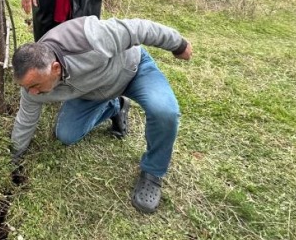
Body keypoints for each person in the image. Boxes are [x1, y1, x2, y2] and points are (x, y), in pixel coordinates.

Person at [10, 15, 193, 213]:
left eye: (35, 86)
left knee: (165, 111)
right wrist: (13, 157)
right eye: (27, 87)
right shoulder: (31, 88)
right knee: (66, 135)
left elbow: (140, 28)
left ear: (55, 68)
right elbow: (25, 121)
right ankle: (116, 106)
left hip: (132, 71)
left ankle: (152, 172)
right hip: (93, 94)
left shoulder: (90, 38)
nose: (32, 93)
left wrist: (179, 44)